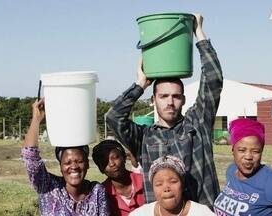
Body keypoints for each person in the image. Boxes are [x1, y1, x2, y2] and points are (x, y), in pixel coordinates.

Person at [106, 13, 223, 209]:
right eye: (163, 96)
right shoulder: (143, 137)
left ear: (183, 99)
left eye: (176, 96)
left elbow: (213, 80)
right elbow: (113, 117)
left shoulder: (197, 124)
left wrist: (198, 32)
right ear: (153, 100)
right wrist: (140, 84)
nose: (170, 102)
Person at [21, 98, 109, 215]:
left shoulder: (97, 191)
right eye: (67, 163)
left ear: (87, 164)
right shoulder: (48, 186)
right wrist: (36, 120)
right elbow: (30, 157)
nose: (74, 166)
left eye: (79, 161)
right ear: (60, 166)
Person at [130, 155, 215, 216]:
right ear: (152, 188)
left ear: (183, 184)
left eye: (173, 181)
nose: (166, 188)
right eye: (159, 184)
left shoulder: (202, 213)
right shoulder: (140, 213)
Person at [92, 139, 145, 216]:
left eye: (115, 157)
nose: (112, 164)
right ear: (101, 169)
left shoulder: (145, 182)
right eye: (105, 162)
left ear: (124, 157)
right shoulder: (101, 193)